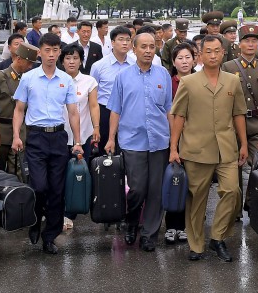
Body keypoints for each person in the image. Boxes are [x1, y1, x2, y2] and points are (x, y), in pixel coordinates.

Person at [170, 35, 248, 262]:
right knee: (196, 199)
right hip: (196, 148)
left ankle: (218, 236)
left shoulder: (232, 81)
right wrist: (174, 148)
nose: (213, 55)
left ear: (223, 53)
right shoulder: (188, 82)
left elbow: (238, 114)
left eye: (217, 51)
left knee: (232, 191)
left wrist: (243, 143)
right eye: (208, 52)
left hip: (226, 148)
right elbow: (179, 116)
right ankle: (196, 245)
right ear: (200, 55)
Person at [12, 33, 84, 254]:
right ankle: (35, 220)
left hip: (58, 137)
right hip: (36, 138)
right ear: (40, 52)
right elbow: (19, 109)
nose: (51, 55)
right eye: (47, 51)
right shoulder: (29, 78)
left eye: (55, 51)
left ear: (59, 53)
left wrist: (78, 141)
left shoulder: (65, 80)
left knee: (57, 190)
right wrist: (16, 135)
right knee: (39, 186)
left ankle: (50, 236)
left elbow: (73, 112)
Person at [104, 32, 172, 251]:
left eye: (152, 46)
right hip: (133, 142)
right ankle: (132, 222)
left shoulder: (163, 75)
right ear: (134, 49)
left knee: (155, 191)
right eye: (143, 46)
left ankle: (149, 234)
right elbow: (115, 109)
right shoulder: (123, 77)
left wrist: (175, 143)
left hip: (159, 141)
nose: (148, 51)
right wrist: (110, 138)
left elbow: (170, 110)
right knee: (137, 189)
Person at [221, 24, 258, 219]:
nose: (251, 45)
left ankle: (251, 202)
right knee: (234, 167)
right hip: (235, 124)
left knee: (256, 165)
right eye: (247, 41)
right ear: (240, 43)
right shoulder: (229, 67)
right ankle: (234, 208)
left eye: (254, 41)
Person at [0, 43, 38, 177]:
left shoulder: (29, 79)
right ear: (19, 59)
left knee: (19, 171)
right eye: (29, 63)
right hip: (1, 131)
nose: (30, 66)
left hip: (21, 132)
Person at [166, 41, 197, 244]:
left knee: (193, 184)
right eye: (180, 58)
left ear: (194, 59)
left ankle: (187, 226)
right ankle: (171, 226)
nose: (184, 61)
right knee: (173, 181)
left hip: (196, 138)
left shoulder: (201, 80)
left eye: (188, 57)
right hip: (173, 137)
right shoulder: (169, 82)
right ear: (173, 62)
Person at [90, 26, 136, 149]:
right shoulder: (99, 66)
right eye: (121, 39)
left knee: (128, 148)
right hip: (106, 111)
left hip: (128, 110)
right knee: (106, 151)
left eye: (128, 40)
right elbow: (93, 94)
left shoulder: (135, 65)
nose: (125, 43)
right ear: (113, 42)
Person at [60, 43, 99, 166]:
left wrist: (96, 128)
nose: (71, 62)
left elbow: (93, 106)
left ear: (81, 61)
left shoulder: (89, 81)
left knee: (81, 171)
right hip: (61, 134)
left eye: (75, 58)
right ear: (62, 62)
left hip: (84, 134)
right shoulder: (56, 80)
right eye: (67, 58)